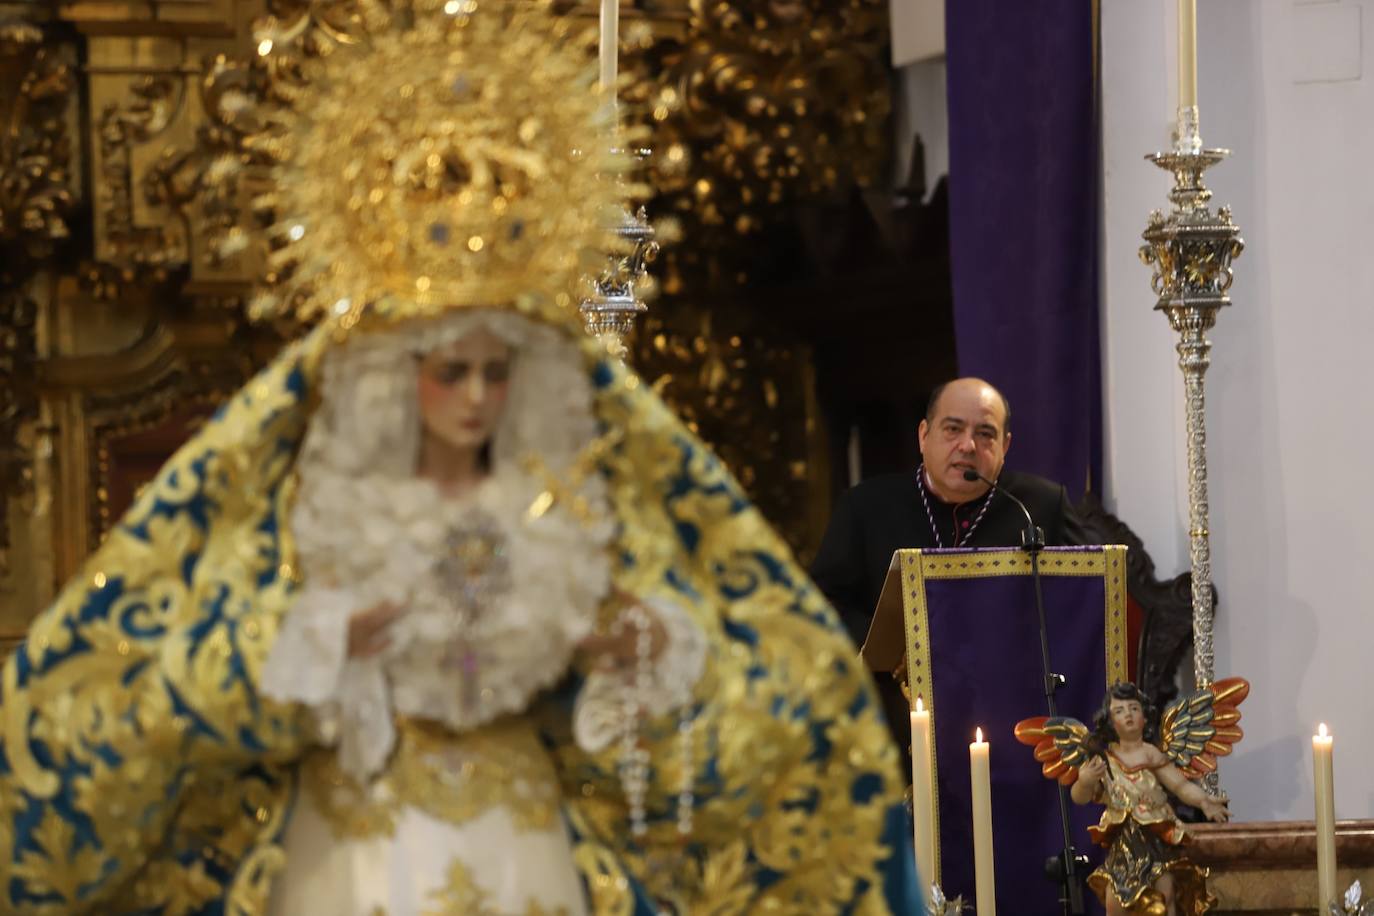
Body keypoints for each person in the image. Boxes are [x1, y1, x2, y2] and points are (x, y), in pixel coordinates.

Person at [0, 5, 920, 914]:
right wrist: (329, 643)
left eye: (496, 372)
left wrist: (629, 650)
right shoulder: (317, 500)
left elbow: (710, 692)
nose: (476, 396)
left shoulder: (568, 500)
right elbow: (189, 676)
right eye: (451, 372)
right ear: (401, 374)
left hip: (521, 837)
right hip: (359, 841)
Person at [811, 376, 1085, 759]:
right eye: (953, 429)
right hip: (896, 721)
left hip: (1012, 723)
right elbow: (821, 604)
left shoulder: (1039, 506)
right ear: (924, 436)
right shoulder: (865, 508)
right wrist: (892, 647)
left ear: (1005, 446)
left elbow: (1083, 599)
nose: (968, 446)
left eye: (985, 434)